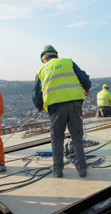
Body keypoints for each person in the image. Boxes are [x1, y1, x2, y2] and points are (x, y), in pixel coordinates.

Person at [33, 45, 91, 178]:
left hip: (56, 108)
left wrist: (39, 105)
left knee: (57, 139)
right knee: (77, 137)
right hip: (75, 105)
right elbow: (84, 78)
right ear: (55, 55)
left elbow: (36, 95)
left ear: (45, 58)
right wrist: (87, 88)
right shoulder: (68, 62)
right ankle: (82, 169)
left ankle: (58, 170)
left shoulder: (41, 70)